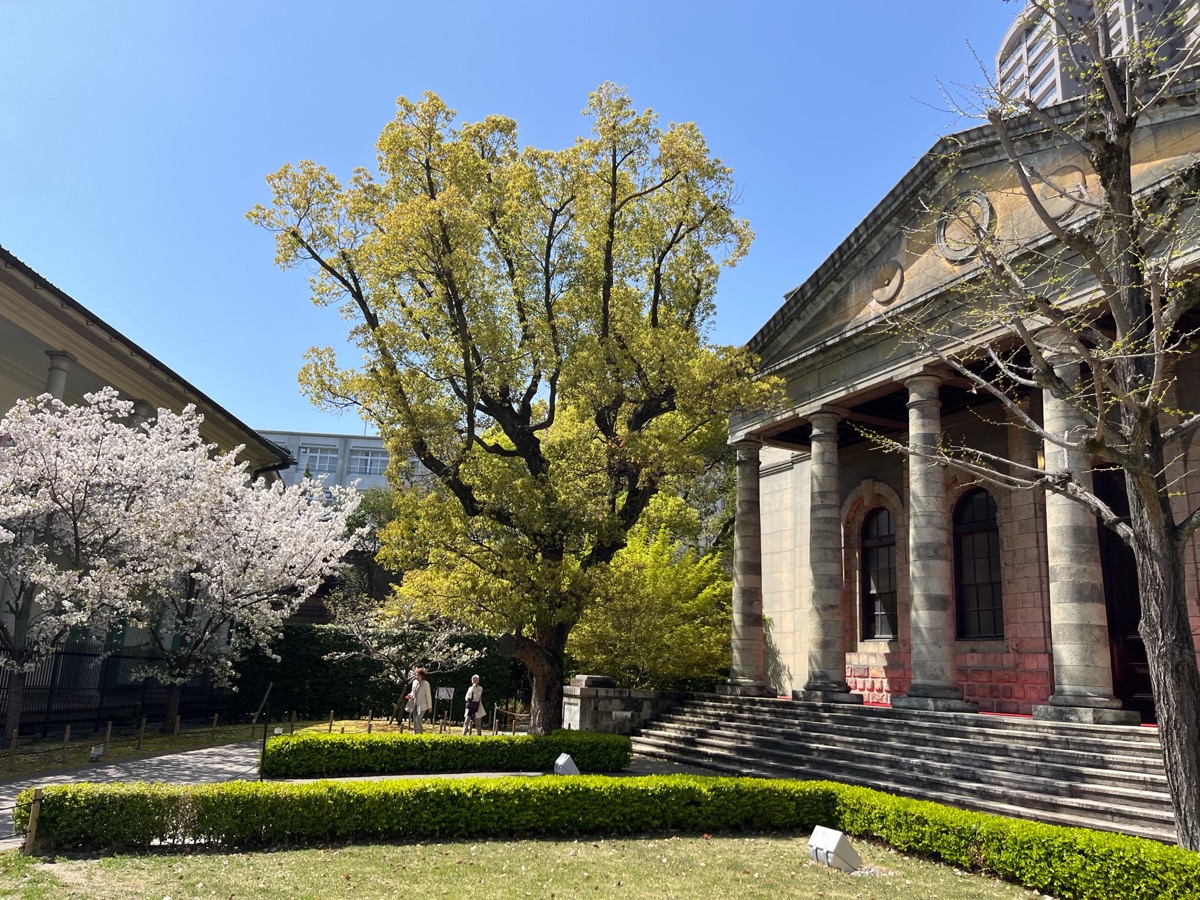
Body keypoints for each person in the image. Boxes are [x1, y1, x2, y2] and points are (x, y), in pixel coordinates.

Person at [409, 667, 432, 734]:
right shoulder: (414, 682)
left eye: (418, 675)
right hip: (415, 703)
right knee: (414, 720)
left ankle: (420, 733)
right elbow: (413, 692)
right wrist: (410, 696)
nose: (416, 677)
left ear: (422, 676)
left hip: (423, 705)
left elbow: (428, 695)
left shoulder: (426, 684)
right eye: (416, 675)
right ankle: (415, 733)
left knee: (418, 719)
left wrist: (429, 706)